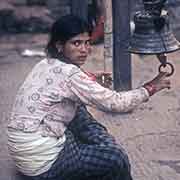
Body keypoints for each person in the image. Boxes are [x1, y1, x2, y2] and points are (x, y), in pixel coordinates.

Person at [7, 15, 170, 180]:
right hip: (44, 165)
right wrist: (151, 87)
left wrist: (89, 79)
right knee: (115, 158)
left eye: (87, 42)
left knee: (77, 108)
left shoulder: (44, 64)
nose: (84, 49)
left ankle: (98, 144)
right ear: (59, 46)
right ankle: (104, 147)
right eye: (76, 43)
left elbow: (61, 83)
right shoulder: (71, 76)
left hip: (22, 149)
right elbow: (117, 103)